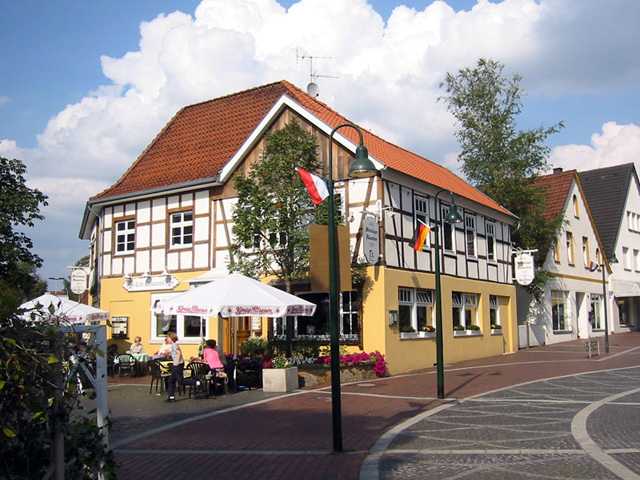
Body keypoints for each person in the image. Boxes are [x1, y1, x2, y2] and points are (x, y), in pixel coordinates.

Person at [164, 332, 199, 402]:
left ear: (171, 338)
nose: (166, 339)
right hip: (177, 364)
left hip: (178, 365)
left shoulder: (174, 345)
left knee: (180, 380)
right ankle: (171, 397)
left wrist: (177, 361)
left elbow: (179, 353)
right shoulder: (173, 345)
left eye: (167, 338)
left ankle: (196, 382)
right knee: (170, 380)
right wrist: (171, 354)